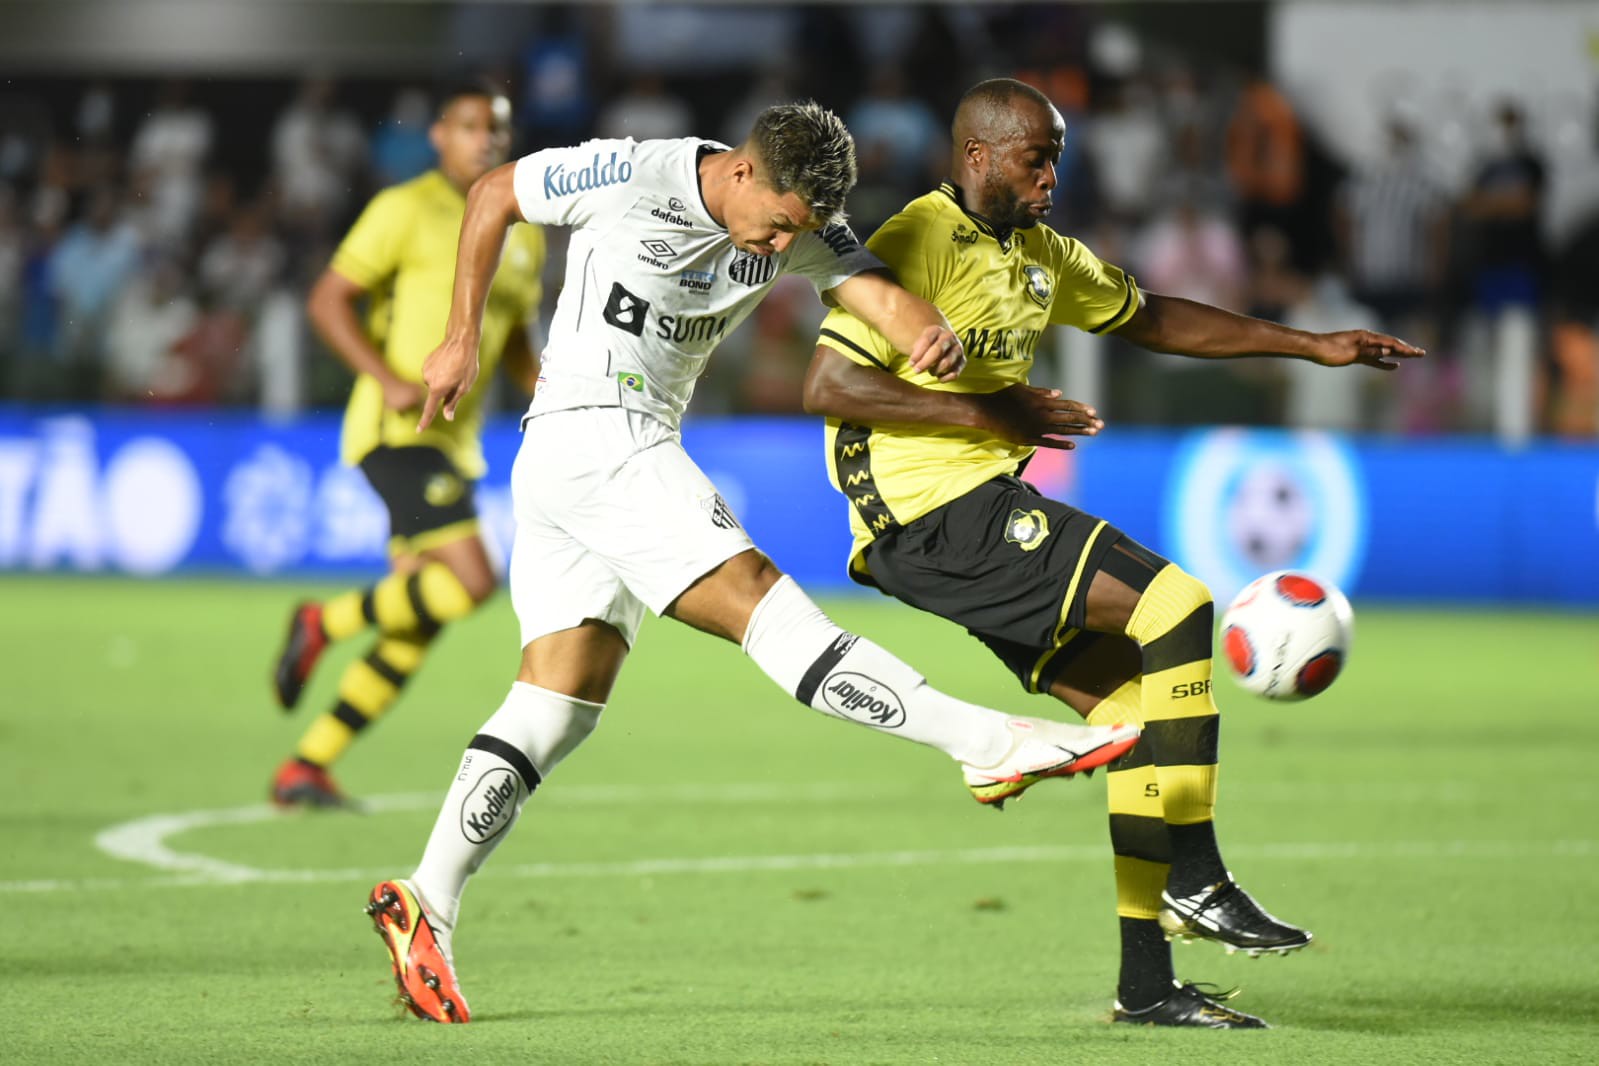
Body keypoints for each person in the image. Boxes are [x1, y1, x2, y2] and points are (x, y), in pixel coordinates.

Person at [363, 101, 1141, 1024]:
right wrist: (460, 335)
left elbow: (866, 285)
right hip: (598, 437)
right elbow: (494, 191)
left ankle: (427, 899)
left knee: (555, 706)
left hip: (584, 457)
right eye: (774, 227)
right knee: (765, 607)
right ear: (739, 172)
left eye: (793, 236)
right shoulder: (628, 174)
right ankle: (986, 745)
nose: (776, 250)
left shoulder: (794, 218)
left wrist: (924, 330)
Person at [801, 79, 1423, 1029]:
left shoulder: (1040, 253)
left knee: (1135, 717)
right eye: (1034, 159)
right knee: (1176, 603)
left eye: (1057, 158)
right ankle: (1199, 876)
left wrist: (1309, 345)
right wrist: (993, 413)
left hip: (963, 514)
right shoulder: (915, 240)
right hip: (927, 513)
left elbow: (1152, 318)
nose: (1051, 177)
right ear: (977, 157)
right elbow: (828, 385)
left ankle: (1146, 982)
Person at [269, 83, 546, 808]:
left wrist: (553, 393)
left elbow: (516, 338)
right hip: (399, 430)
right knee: (472, 580)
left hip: (458, 444)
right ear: (438, 136)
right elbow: (327, 299)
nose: (485, 139)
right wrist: (385, 377)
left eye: (496, 129)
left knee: (419, 619)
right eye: (469, 126)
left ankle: (306, 766)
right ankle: (320, 621)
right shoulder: (404, 208)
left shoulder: (525, 227)